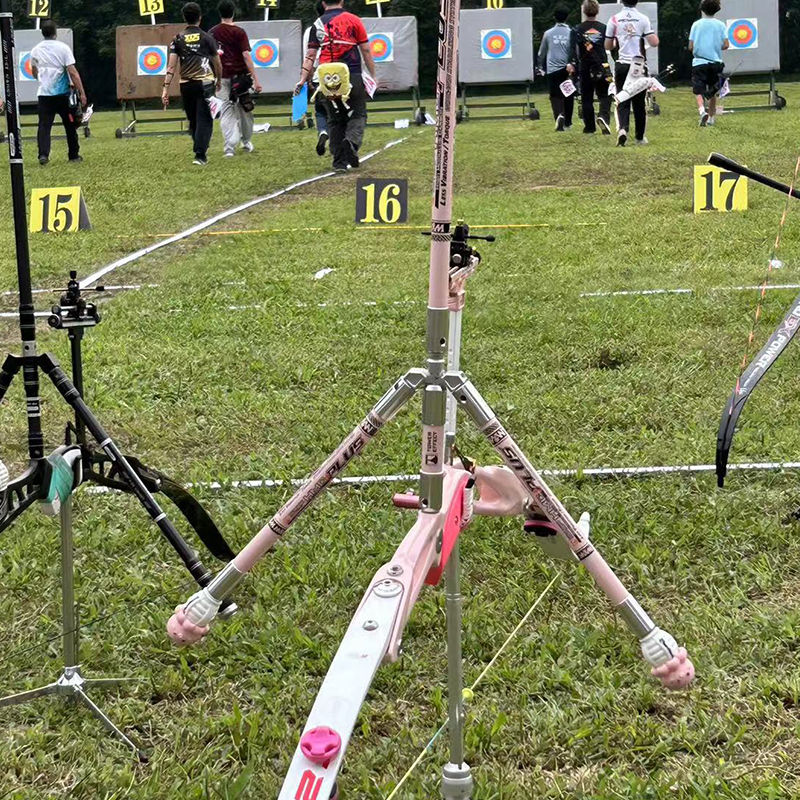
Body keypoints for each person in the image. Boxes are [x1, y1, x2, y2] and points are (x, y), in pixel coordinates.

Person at [294, 0, 375, 171]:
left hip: (326, 78)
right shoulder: (354, 20)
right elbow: (366, 50)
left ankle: (339, 163)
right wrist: (373, 75)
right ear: (342, 1)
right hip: (351, 75)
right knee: (359, 113)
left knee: (334, 120)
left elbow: (310, 56)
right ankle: (351, 142)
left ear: (323, 3)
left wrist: (302, 79)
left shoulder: (317, 25)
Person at [162, 2, 222, 166]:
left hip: (186, 85)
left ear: (184, 18)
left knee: (193, 119)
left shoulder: (177, 39)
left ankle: (199, 148)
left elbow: (171, 66)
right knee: (204, 118)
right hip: (205, 83)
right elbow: (217, 62)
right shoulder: (208, 38)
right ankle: (200, 154)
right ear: (200, 18)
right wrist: (218, 79)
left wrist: (165, 89)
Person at [29, 20, 86, 165]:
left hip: (44, 95)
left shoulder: (35, 50)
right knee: (70, 124)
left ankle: (43, 155)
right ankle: (73, 155)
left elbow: (34, 71)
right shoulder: (63, 48)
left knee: (44, 126)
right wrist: (82, 93)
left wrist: (41, 79)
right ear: (55, 33)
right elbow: (72, 72)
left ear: (43, 33)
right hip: (63, 95)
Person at [210, 0, 262, 157]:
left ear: (220, 13)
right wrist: (256, 79)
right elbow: (246, 55)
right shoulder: (239, 32)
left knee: (226, 111)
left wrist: (214, 78)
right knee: (245, 109)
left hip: (222, 78)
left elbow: (211, 57)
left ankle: (229, 148)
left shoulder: (212, 32)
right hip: (240, 78)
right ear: (233, 12)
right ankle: (246, 141)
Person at [605, 0, 659, 147]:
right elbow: (654, 42)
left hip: (622, 64)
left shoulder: (614, 19)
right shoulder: (643, 18)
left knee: (622, 98)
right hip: (638, 64)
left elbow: (608, 46)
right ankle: (640, 137)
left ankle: (622, 129)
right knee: (639, 103)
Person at [689, 0, 729, 127]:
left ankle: (702, 111)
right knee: (712, 91)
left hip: (699, 62)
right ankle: (711, 118)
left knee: (698, 89)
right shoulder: (721, 25)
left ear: (702, 9)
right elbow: (726, 45)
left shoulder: (696, 25)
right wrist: (716, 47)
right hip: (716, 62)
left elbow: (691, 46)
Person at [538, 5, 576, 132]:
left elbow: (541, 53)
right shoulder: (571, 32)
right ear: (567, 17)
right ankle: (568, 122)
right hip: (567, 69)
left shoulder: (548, 34)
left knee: (555, 95)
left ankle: (559, 116)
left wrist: (539, 66)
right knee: (568, 94)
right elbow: (574, 50)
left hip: (552, 69)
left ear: (554, 17)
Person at [576, 0, 611, 135]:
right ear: (597, 11)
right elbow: (610, 46)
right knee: (606, 95)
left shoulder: (578, 29)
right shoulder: (604, 28)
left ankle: (589, 127)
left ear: (584, 11)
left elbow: (575, 50)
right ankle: (604, 117)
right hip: (603, 64)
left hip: (585, 65)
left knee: (586, 97)